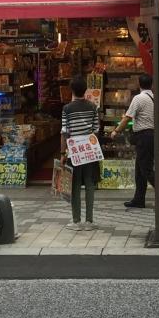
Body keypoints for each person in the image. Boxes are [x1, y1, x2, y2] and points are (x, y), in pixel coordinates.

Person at [61, 74, 101, 231]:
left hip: (74, 152)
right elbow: (96, 130)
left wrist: (63, 153)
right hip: (89, 151)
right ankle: (89, 221)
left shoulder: (67, 109)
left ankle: (76, 221)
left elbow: (65, 132)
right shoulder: (93, 107)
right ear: (85, 90)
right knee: (90, 184)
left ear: (72, 90)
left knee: (75, 185)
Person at [111, 73, 155, 208]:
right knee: (140, 170)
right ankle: (139, 199)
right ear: (151, 84)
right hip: (151, 136)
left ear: (139, 84)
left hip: (144, 137)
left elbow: (127, 118)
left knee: (146, 169)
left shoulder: (139, 98)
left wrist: (116, 131)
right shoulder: (154, 97)